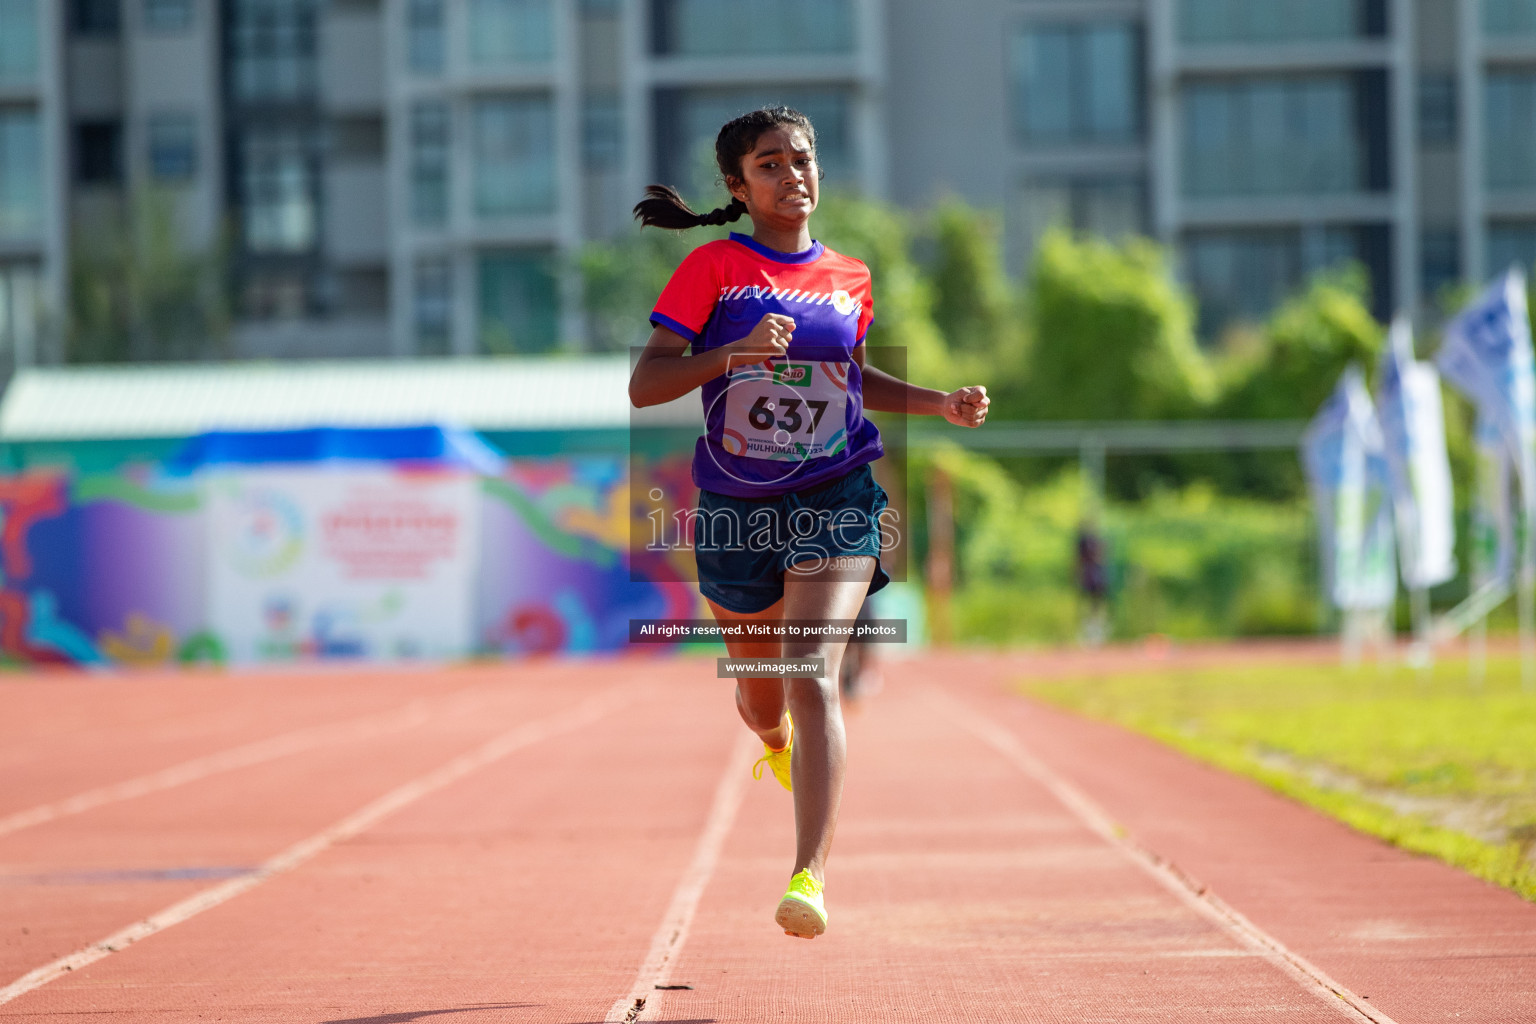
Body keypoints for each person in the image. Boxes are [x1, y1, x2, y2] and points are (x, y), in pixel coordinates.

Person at [627, 106, 989, 939]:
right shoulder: (711, 270)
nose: (793, 176)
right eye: (770, 164)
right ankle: (771, 737)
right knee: (763, 700)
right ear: (737, 185)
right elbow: (646, 387)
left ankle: (809, 876)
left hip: (838, 492)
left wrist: (940, 403)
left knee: (812, 667)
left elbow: (854, 382)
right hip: (737, 510)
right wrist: (734, 355)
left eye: (802, 159)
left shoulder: (851, 276)